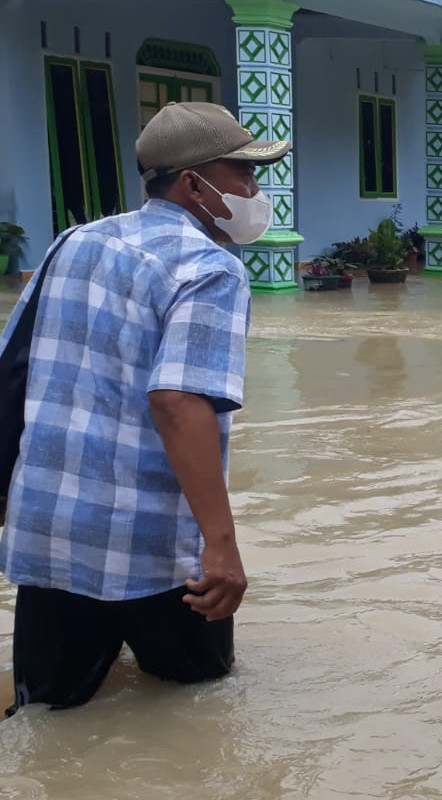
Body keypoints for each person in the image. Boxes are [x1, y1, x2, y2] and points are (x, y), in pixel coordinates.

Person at [1, 102, 283, 716]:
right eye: (244, 176)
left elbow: (13, 368)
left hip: (50, 533)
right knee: (199, 712)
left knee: (49, 718)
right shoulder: (209, 268)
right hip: (151, 547)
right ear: (193, 184)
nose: (255, 192)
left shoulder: (72, 242)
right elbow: (179, 402)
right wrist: (222, 545)